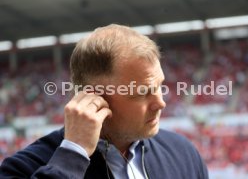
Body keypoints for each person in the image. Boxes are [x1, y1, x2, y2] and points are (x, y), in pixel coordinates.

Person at [0, 24, 209, 179]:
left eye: (159, 87)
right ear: (95, 98)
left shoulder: (183, 153)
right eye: (142, 92)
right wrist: (73, 155)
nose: (160, 103)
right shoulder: (23, 169)